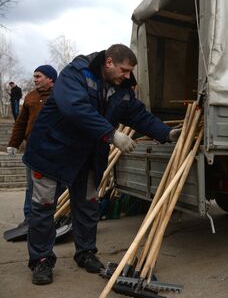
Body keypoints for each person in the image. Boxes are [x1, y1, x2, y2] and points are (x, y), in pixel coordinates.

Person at [23, 44, 181, 285]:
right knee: (43, 208)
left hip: (87, 156)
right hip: (51, 152)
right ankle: (41, 261)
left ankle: (86, 253)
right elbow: (75, 108)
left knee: (87, 206)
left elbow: (138, 115)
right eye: (125, 70)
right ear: (109, 63)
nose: (128, 76)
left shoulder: (122, 88)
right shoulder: (76, 73)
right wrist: (112, 134)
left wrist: (166, 133)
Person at [6, 65, 58, 228]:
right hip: (33, 149)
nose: (34, 79)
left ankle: (55, 216)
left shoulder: (61, 96)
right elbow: (21, 122)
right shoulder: (30, 97)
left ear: (50, 78)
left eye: (38, 76)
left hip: (55, 150)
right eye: (34, 76)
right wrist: (14, 143)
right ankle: (29, 219)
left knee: (55, 186)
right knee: (31, 187)